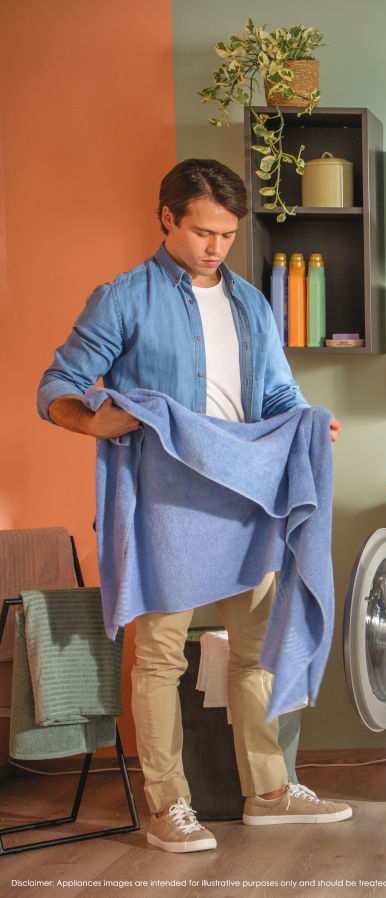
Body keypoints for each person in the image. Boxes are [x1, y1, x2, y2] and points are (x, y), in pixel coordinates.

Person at [37, 158, 349, 854]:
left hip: (245, 493)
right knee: (159, 658)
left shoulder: (252, 303)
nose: (215, 246)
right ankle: (166, 806)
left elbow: (274, 395)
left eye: (228, 234)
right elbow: (56, 382)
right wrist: (89, 420)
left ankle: (270, 791)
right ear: (167, 219)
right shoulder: (122, 298)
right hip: (166, 503)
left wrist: (305, 423)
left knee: (257, 651)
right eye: (203, 230)